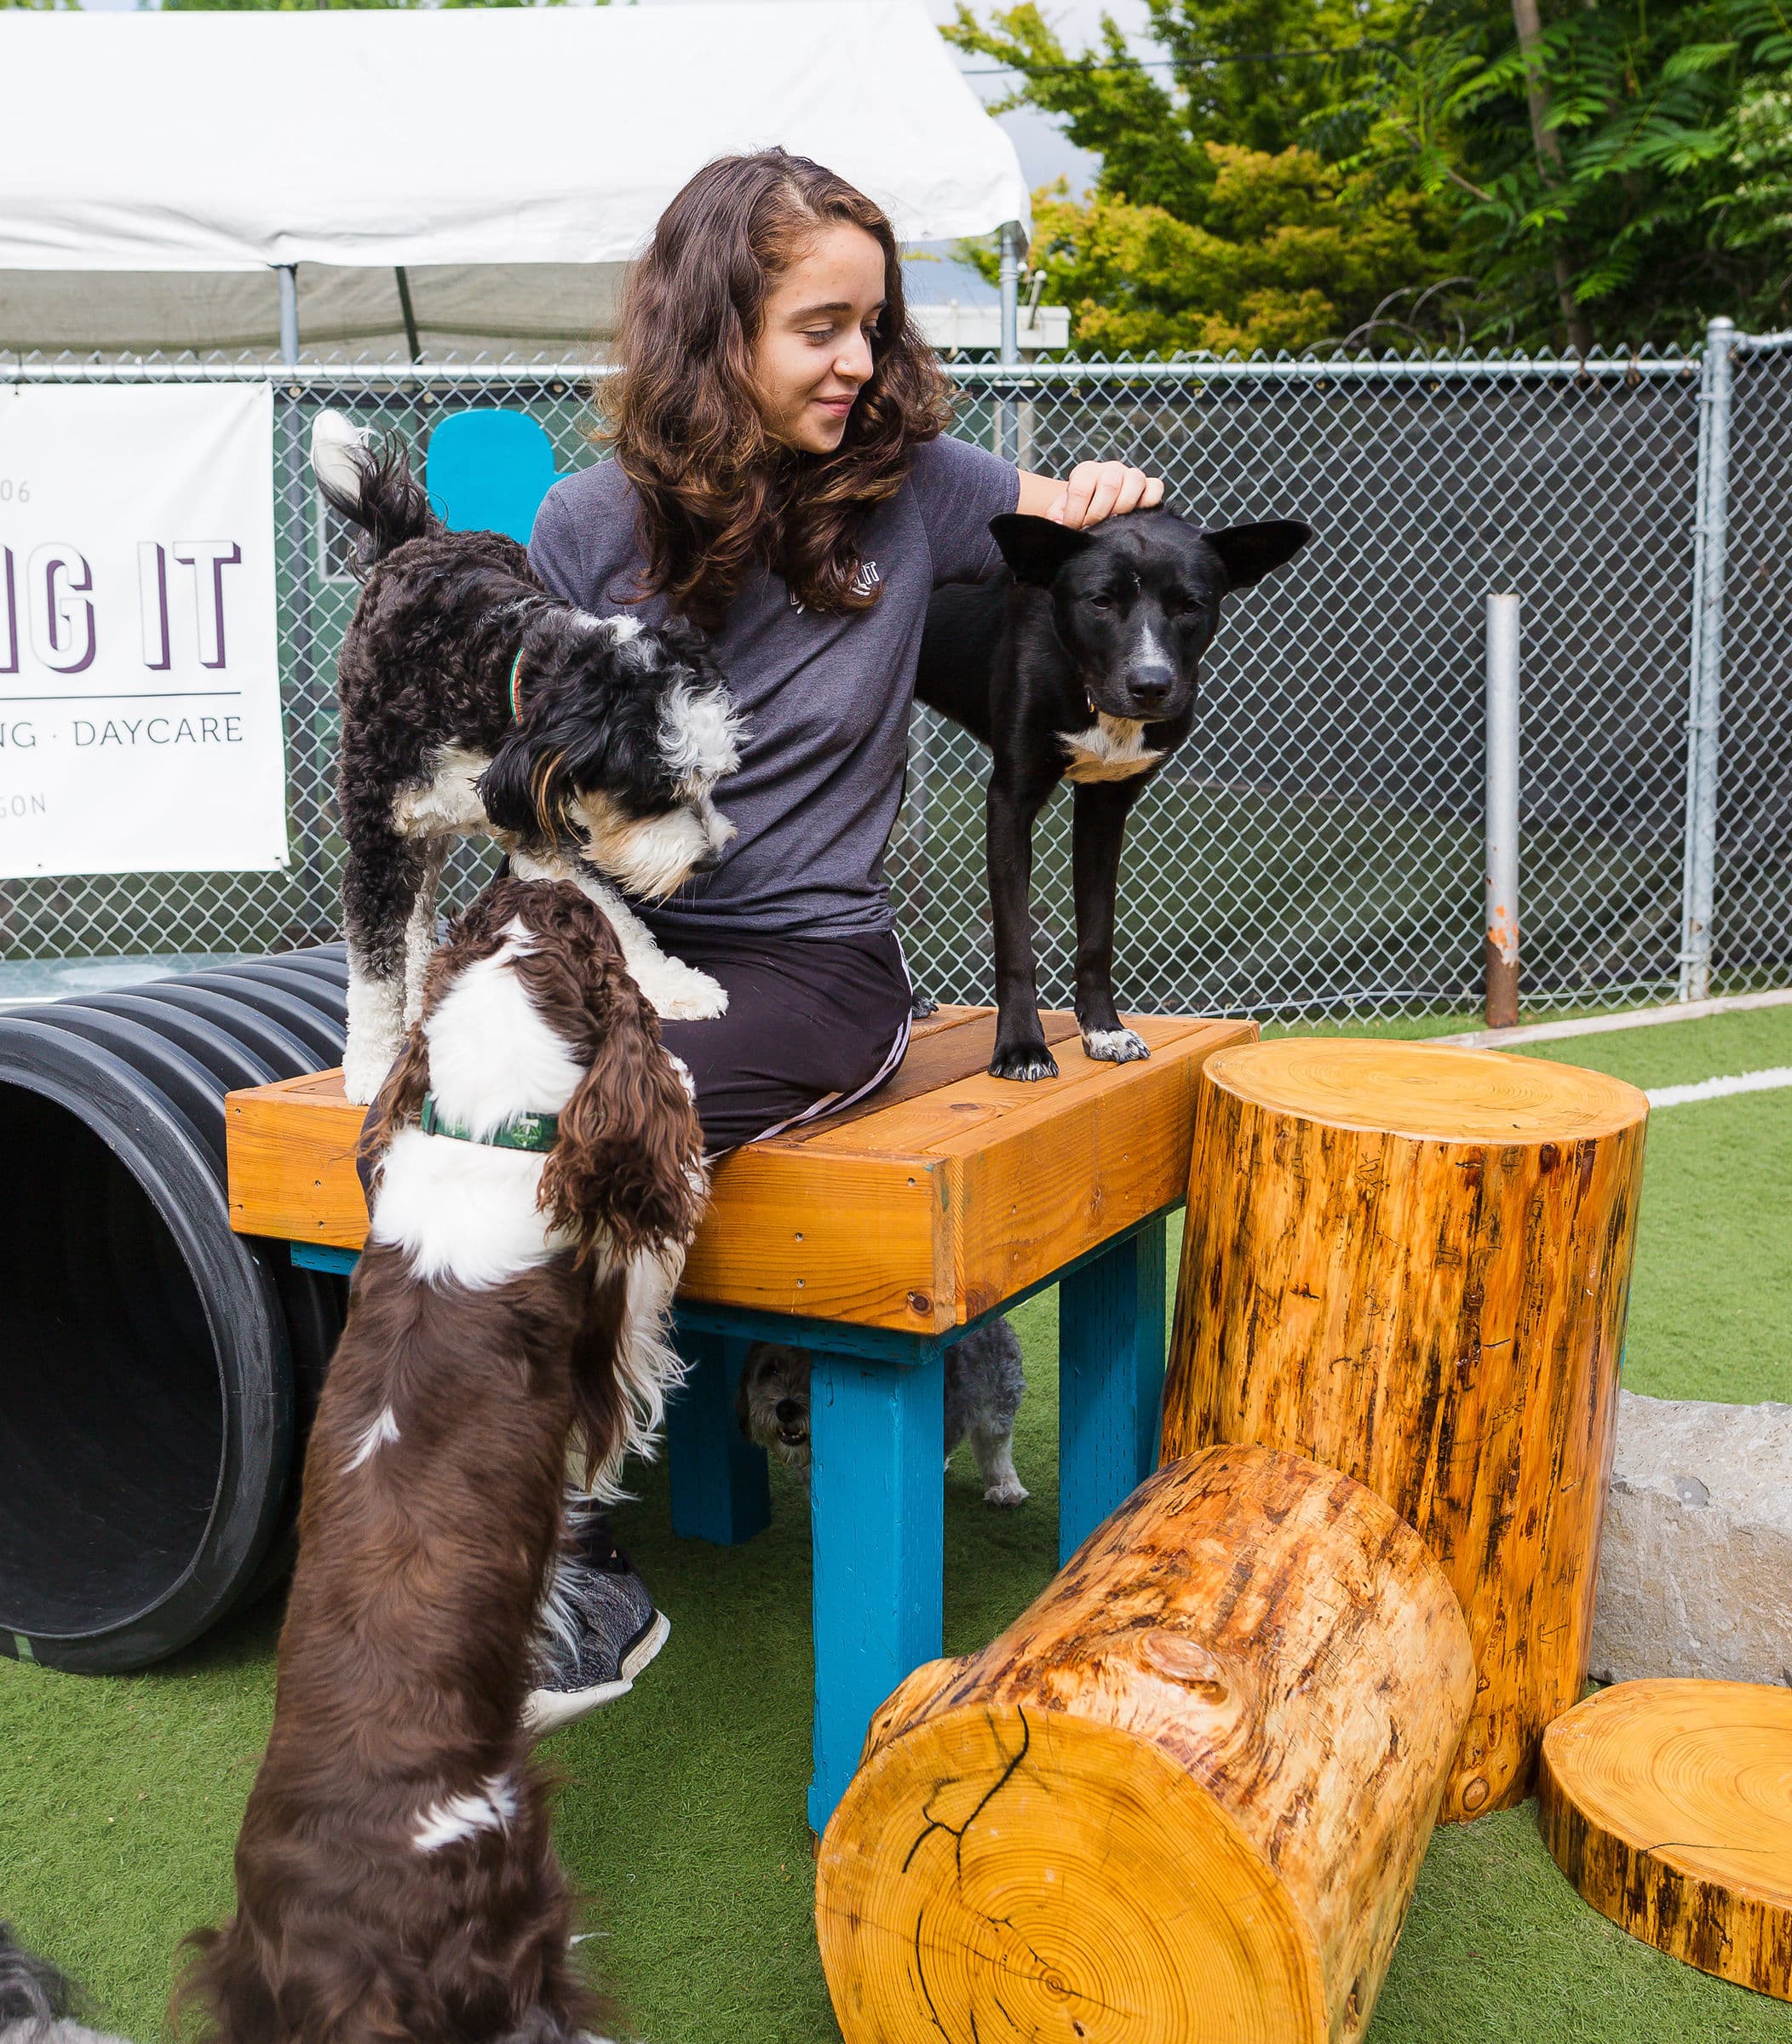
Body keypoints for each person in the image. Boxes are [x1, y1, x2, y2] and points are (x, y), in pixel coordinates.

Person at [517, 149, 1165, 1723]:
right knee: (449, 1109)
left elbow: (1079, 535)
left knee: (589, 1119)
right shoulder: (584, 524)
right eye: (821, 327)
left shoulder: (921, 486)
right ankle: (456, 1501)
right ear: (714, 327)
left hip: (813, 966)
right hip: (612, 940)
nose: (862, 361)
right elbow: (536, 788)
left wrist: (1104, 496)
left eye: (874, 326)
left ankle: (562, 1545)